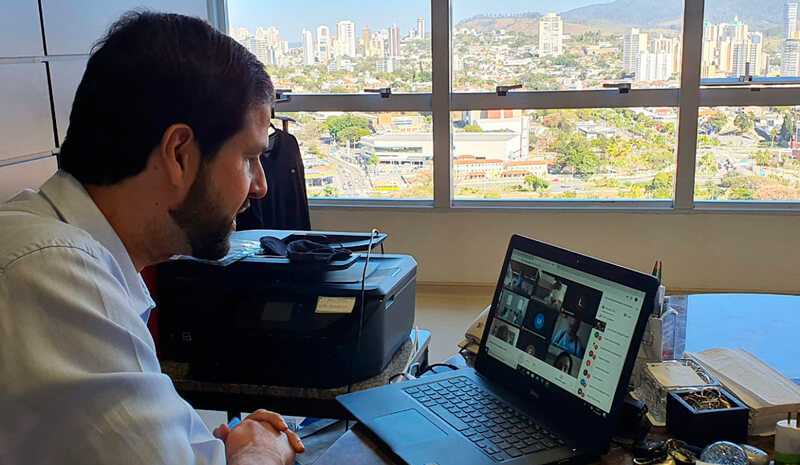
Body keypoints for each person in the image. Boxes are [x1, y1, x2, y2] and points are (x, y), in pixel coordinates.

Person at [0, 12, 304, 465]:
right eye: (248, 159)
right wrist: (261, 453)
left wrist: (217, 449)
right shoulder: (52, 274)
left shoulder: (56, 249)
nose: (259, 185)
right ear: (179, 154)